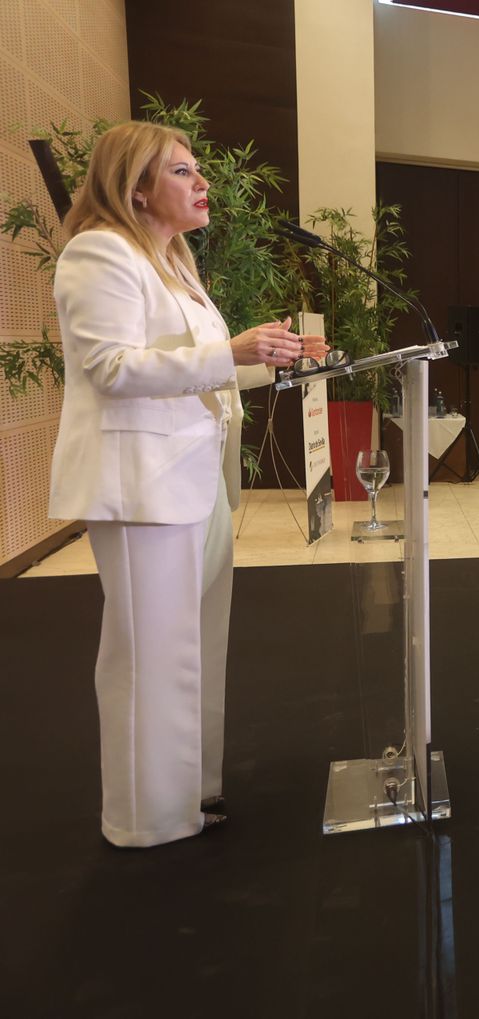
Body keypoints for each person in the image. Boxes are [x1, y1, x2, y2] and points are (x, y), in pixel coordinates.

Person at [49, 121, 329, 847]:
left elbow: (198, 363)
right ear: (135, 187)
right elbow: (112, 368)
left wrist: (274, 359)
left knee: (194, 643)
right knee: (149, 652)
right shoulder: (99, 252)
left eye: (197, 170)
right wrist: (231, 350)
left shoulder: (172, 262)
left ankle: (191, 792)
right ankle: (145, 818)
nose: (202, 184)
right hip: (141, 482)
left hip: (193, 476)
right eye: (182, 172)